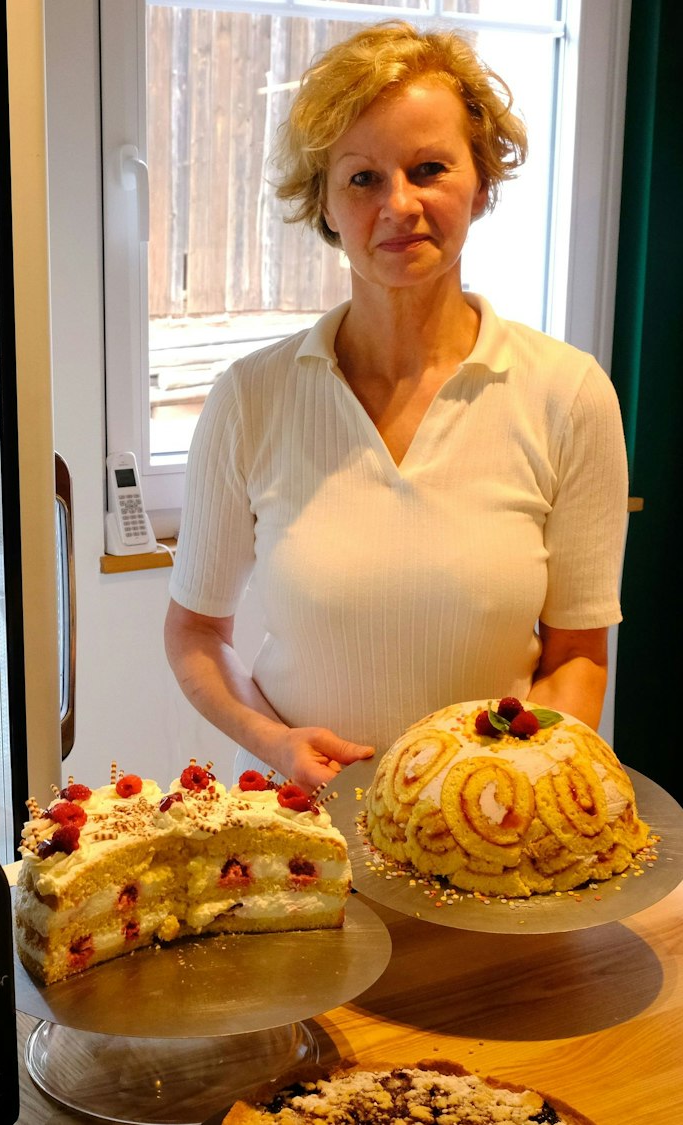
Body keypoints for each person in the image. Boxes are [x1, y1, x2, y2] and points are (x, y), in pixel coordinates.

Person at [163, 22, 628, 790]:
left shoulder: (567, 394)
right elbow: (196, 633)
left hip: (488, 834)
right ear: (324, 202)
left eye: (429, 167)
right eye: (363, 178)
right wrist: (272, 740)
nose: (399, 204)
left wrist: (501, 788)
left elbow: (576, 654)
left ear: (481, 184)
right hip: (296, 828)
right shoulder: (252, 396)